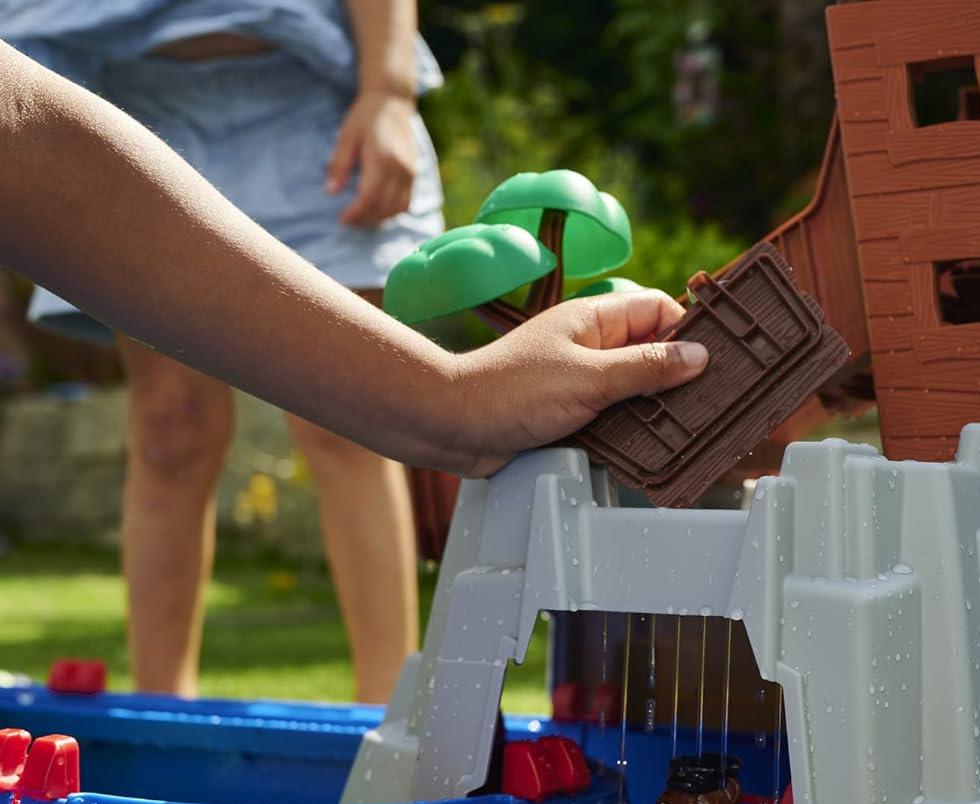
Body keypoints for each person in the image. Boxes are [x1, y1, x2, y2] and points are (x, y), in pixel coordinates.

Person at [0, 41, 709, 618]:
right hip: (113, 70)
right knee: (169, 423)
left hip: (305, 82)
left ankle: (382, 705)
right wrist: (456, 402)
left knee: (340, 442)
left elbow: (25, 129)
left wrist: (456, 400)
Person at [2, 3, 442, 702]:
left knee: (348, 421)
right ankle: (161, 714)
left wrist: (388, 90)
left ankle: (392, 718)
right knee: (172, 425)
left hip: (305, 96)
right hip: (114, 95)